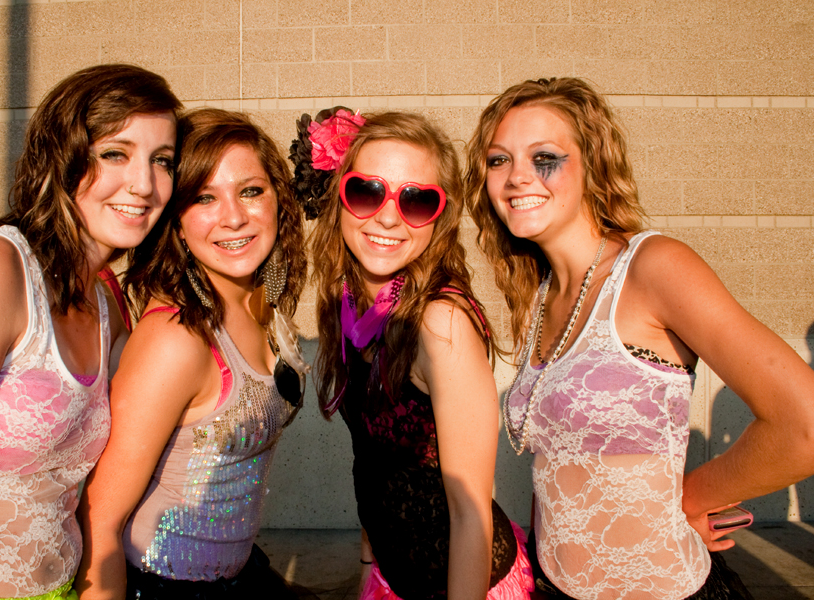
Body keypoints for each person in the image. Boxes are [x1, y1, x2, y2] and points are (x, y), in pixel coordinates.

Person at [464, 76, 814, 600]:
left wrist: (692, 498)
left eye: (544, 158)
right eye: (498, 160)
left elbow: (803, 425)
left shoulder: (653, 267)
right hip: (556, 586)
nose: (517, 178)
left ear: (592, 165)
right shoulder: (538, 295)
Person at [0, 64, 180, 600]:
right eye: (115, 153)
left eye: (162, 161)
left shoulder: (107, 301)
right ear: (62, 156)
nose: (145, 184)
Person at [294, 108, 533, 600]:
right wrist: (368, 565)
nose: (387, 216)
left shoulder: (439, 324)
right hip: (391, 575)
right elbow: (371, 460)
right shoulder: (348, 302)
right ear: (339, 195)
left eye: (416, 201)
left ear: (439, 219)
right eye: (367, 191)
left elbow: (470, 511)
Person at [75, 108, 308, 600]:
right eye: (204, 197)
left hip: (240, 576)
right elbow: (99, 517)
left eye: (250, 190)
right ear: (176, 222)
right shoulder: (176, 339)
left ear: (278, 201)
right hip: (164, 588)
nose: (234, 216)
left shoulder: (265, 302)